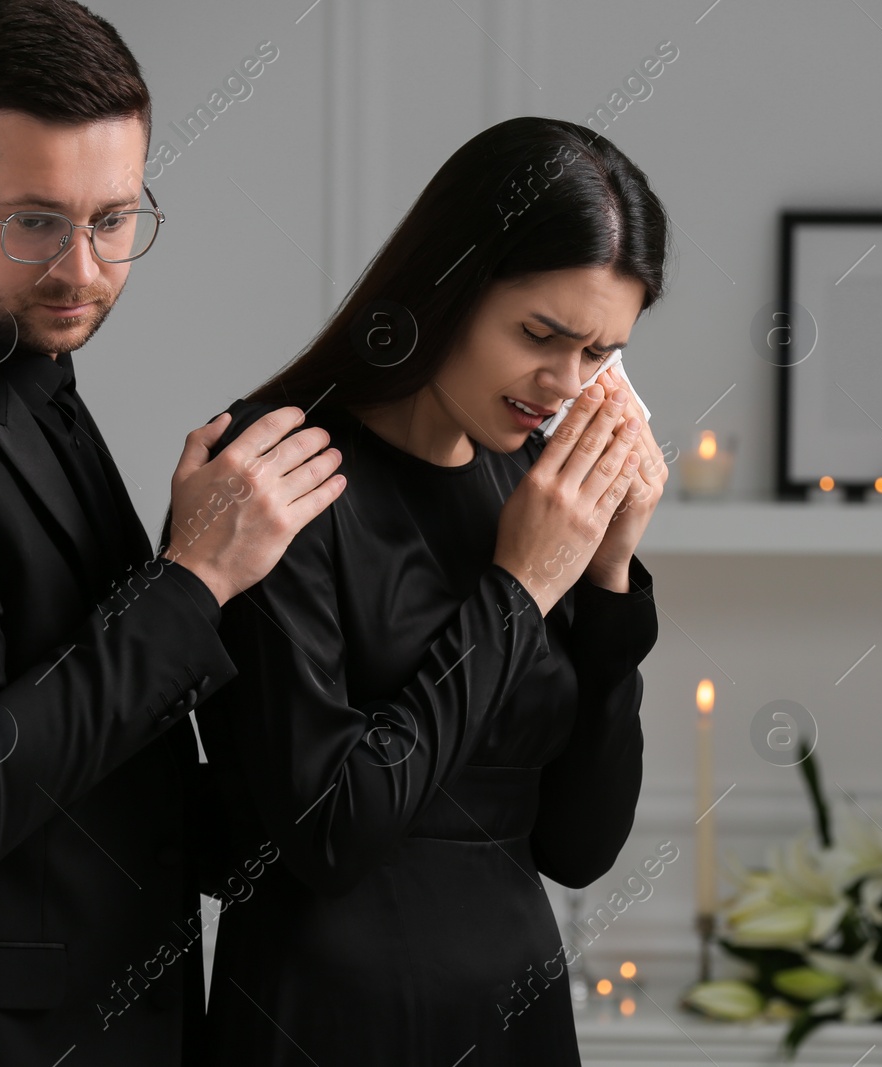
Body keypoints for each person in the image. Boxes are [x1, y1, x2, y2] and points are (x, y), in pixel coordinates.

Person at [0, 2, 345, 1063]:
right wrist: (194, 577)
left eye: (114, 218)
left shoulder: (33, 381)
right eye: (34, 220)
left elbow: (106, 737)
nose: (83, 270)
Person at [187, 116, 669, 1064]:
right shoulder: (275, 472)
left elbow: (580, 846)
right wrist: (521, 584)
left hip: (517, 1016)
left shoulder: (538, 491)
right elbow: (331, 830)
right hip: (321, 1022)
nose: (563, 384)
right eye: (541, 334)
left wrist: (606, 575)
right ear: (447, 285)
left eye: (599, 356)